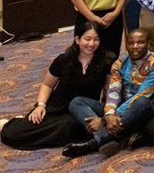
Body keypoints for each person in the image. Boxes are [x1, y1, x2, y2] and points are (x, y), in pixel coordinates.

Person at [1, 22, 116, 151]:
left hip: (80, 109)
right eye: (87, 39)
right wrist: (40, 105)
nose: (91, 44)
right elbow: (47, 85)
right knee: (14, 134)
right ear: (77, 40)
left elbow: (108, 90)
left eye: (96, 40)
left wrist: (105, 114)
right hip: (57, 106)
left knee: (70, 128)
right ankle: (13, 123)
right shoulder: (64, 59)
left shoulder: (106, 60)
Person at [63, 28, 154, 158]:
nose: (135, 47)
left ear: (148, 44)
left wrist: (102, 120)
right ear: (126, 44)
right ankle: (110, 136)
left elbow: (143, 94)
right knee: (77, 102)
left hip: (146, 110)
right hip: (121, 113)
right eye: (131, 43)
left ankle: (94, 142)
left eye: (140, 42)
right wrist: (109, 114)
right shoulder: (119, 64)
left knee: (142, 102)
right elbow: (114, 92)